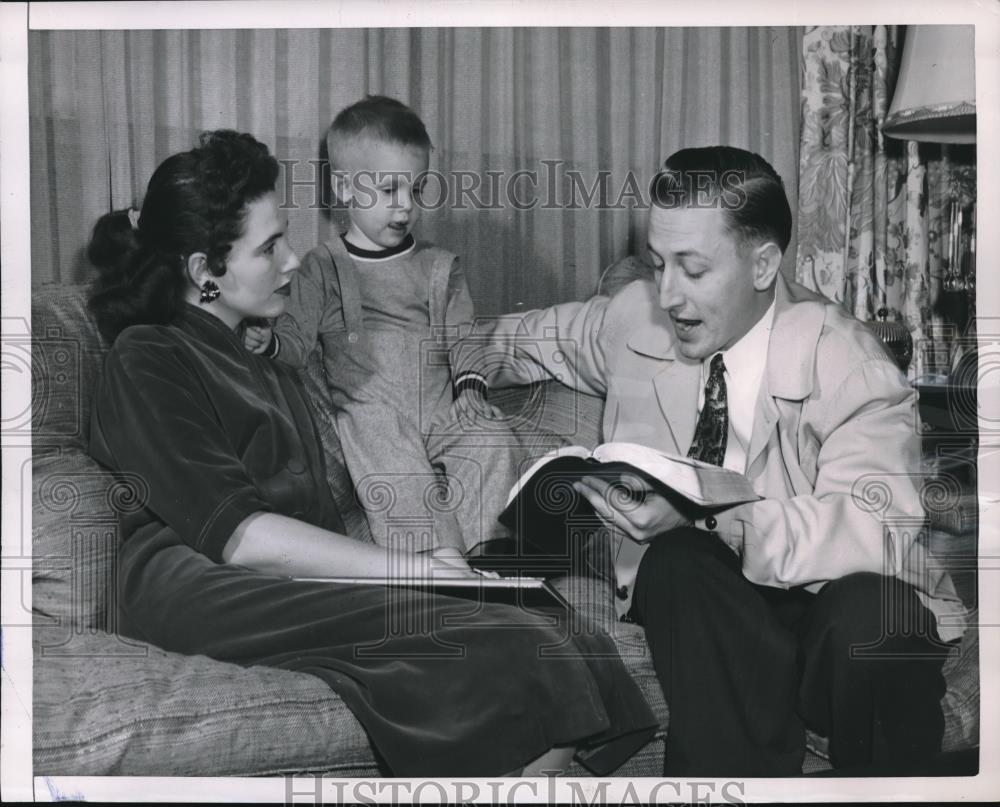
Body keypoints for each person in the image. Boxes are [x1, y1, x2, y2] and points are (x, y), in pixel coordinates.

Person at [85, 129, 657, 777]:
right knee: (506, 641)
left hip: (270, 573)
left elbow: (312, 521)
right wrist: (412, 572)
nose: (293, 261)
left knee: (544, 612)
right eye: (269, 246)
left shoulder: (261, 359)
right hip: (198, 585)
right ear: (203, 273)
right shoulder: (149, 354)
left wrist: (429, 562)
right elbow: (239, 536)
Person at [454, 146, 967, 776]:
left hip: (832, 601)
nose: (667, 295)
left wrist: (711, 518)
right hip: (712, 607)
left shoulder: (849, 360)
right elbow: (498, 339)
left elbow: (875, 527)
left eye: (692, 270)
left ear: (763, 264)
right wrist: (470, 386)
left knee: (867, 620)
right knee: (675, 563)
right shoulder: (635, 320)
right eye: (657, 264)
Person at [247, 96, 523, 554]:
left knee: (492, 438)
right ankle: (435, 559)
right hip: (373, 409)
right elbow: (294, 342)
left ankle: (489, 554)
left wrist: (472, 391)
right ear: (345, 189)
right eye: (390, 190)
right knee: (387, 454)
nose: (405, 208)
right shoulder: (322, 267)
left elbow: (464, 338)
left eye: (416, 191)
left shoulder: (439, 266)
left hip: (441, 410)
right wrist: (269, 342)